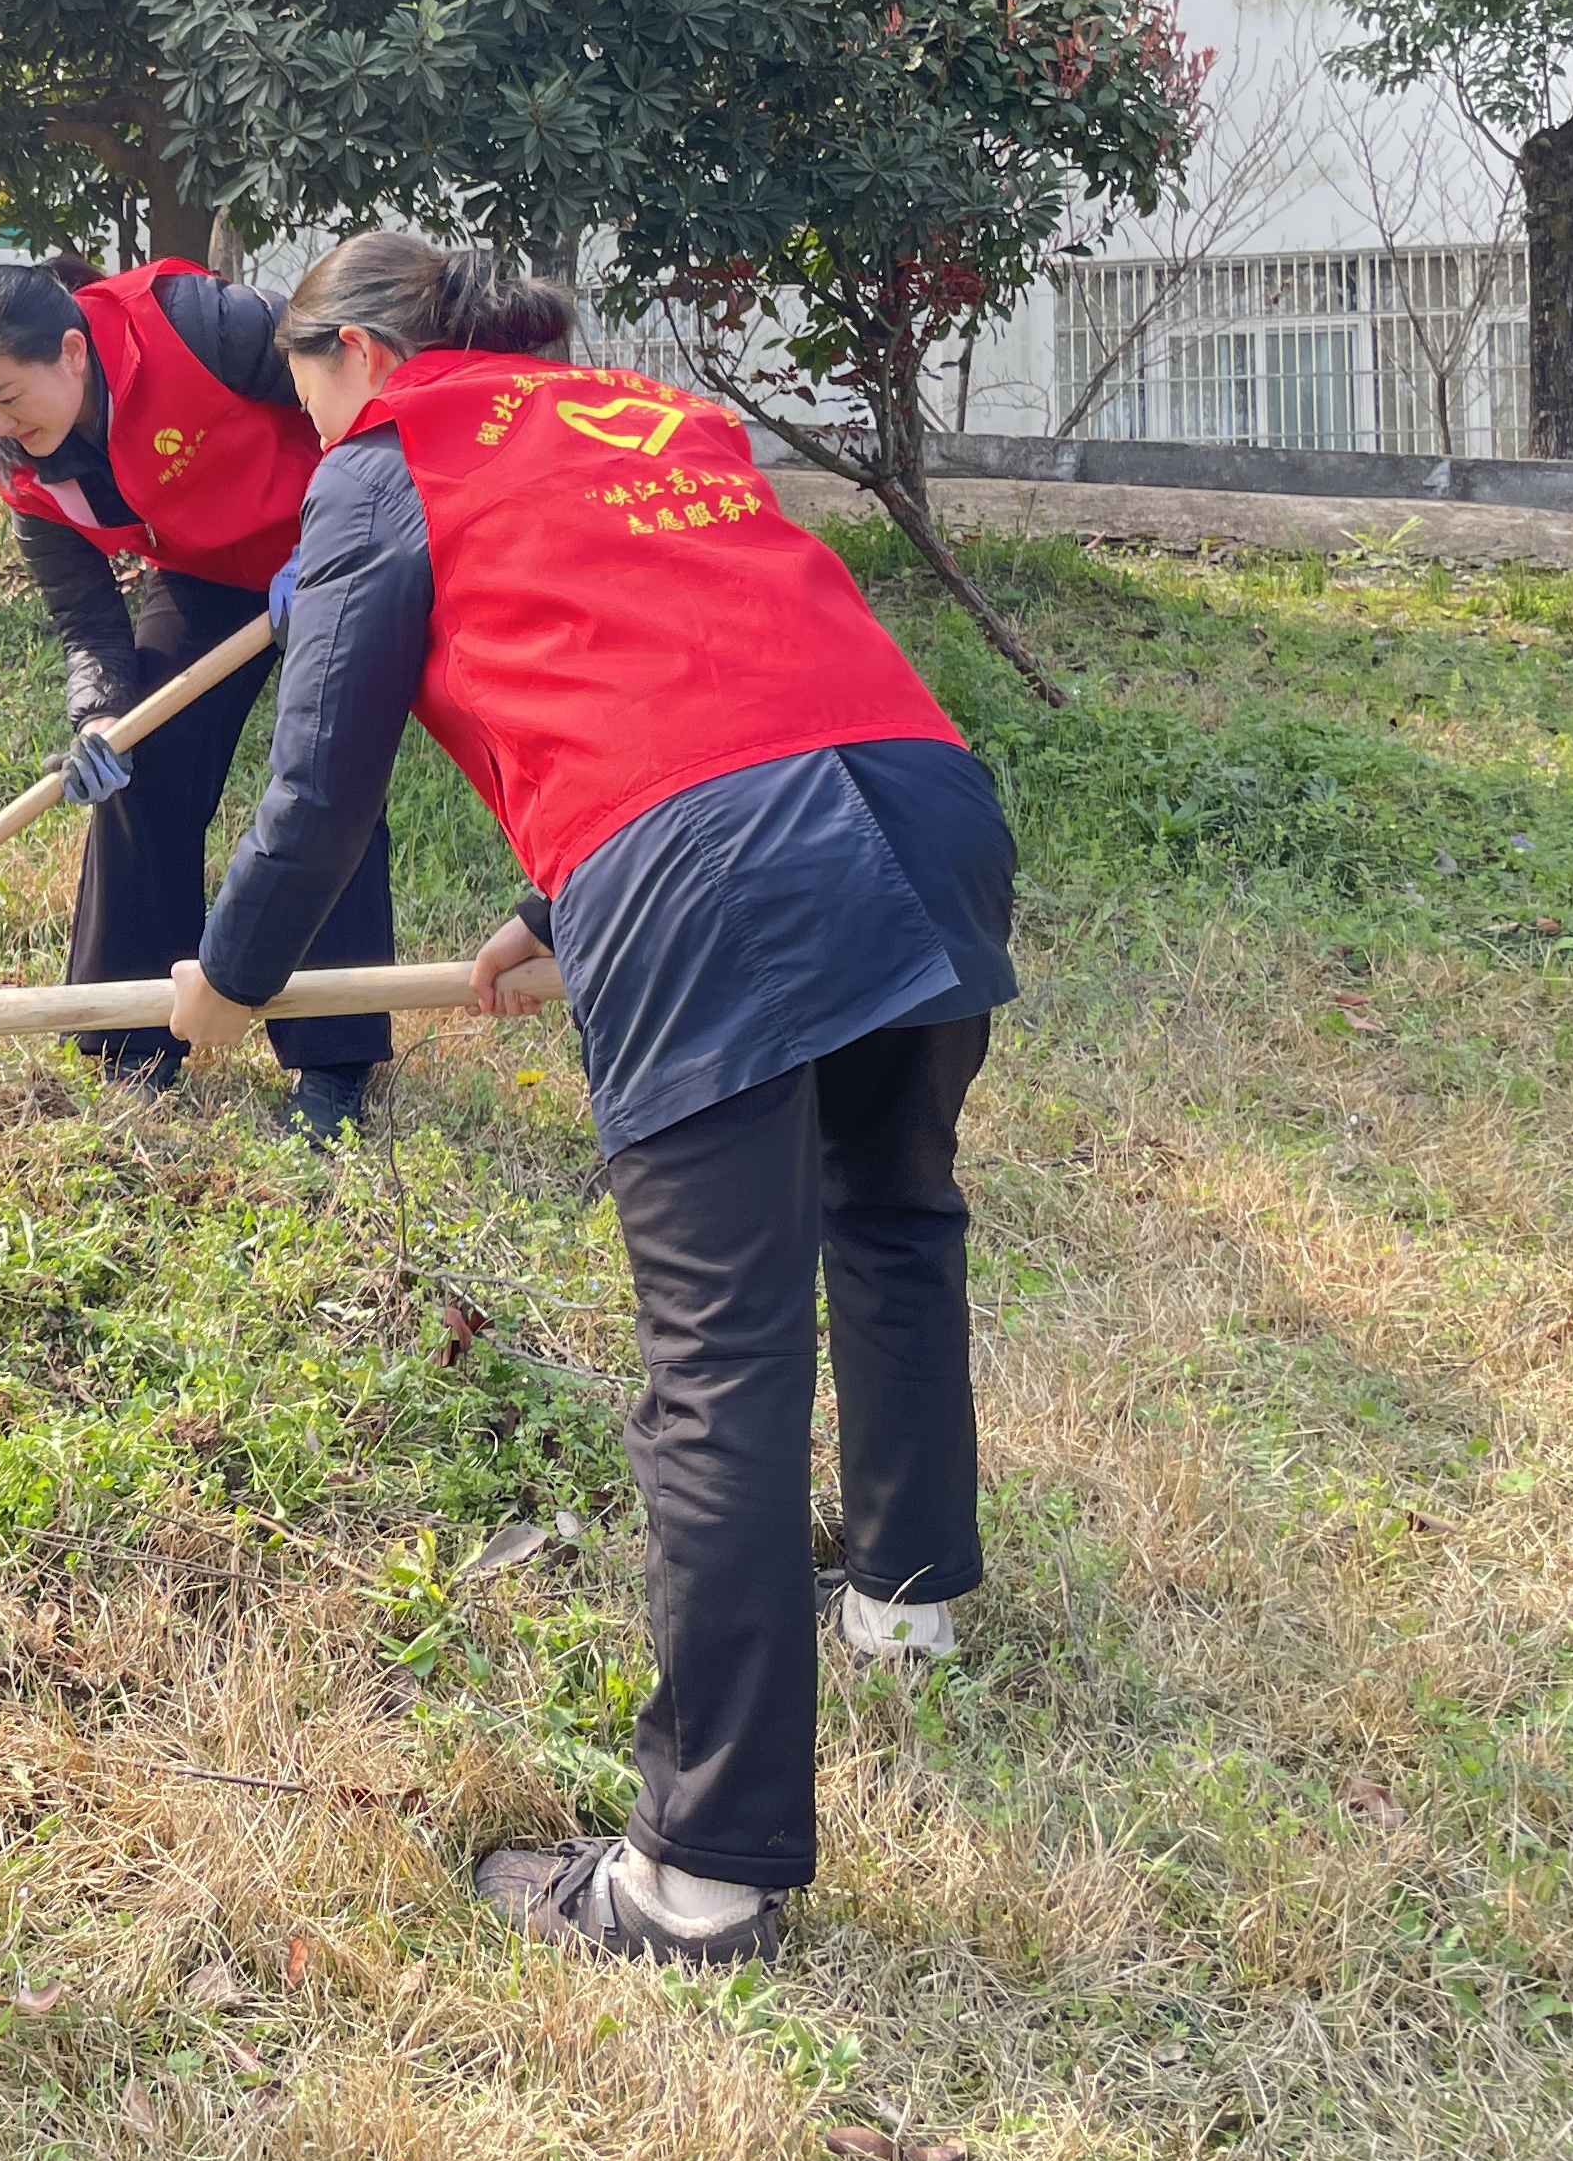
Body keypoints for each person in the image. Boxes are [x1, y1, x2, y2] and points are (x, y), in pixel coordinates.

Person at [165, 234, 1017, 1964]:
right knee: (893, 1215)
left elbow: (319, 783)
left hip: (716, 860)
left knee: (719, 1364)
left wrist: (228, 981)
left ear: (348, 354)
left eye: (299, 387)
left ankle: (697, 1880)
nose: (305, 423)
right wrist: (555, 906)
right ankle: (906, 1600)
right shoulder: (641, 412)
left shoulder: (384, 459)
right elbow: (695, 642)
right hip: (924, 802)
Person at [0, 253, 396, 1140]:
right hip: (204, 573)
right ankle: (131, 1043)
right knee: (139, 766)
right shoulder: (27, 474)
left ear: (72, 352)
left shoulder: (189, 323)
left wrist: (333, 541)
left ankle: (332, 1065)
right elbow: (87, 618)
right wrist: (99, 715)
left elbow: (358, 391)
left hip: (334, 548)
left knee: (326, 776)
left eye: (8, 397)